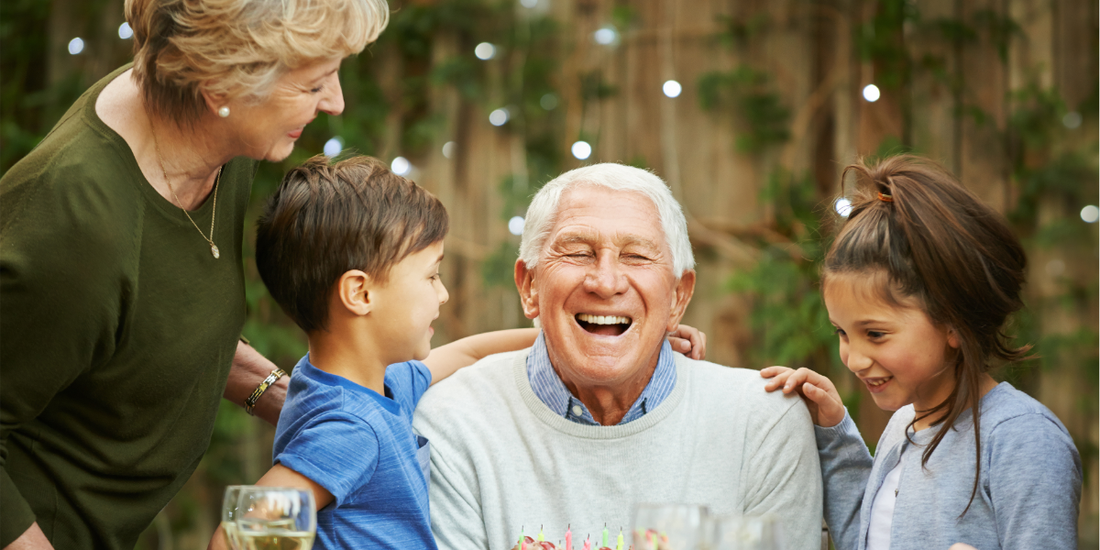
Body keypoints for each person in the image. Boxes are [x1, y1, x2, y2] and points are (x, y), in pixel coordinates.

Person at [0, 1, 389, 548]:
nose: (336, 103)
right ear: (222, 87)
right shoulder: (73, 226)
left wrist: (301, 406)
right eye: (313, 85)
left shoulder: (219, 135)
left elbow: (154, 315)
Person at [207, 157, 706, 550]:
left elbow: (467, 353)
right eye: (430, 276)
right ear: (360, 294)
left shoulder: (371, 384)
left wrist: (592, 336)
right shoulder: (349, 428)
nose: (443, 294)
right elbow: (237, 536)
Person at [412, 163, 823, 550]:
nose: (606, 282)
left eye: (637, 256)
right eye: (578, 252)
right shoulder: (452, 423)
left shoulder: (762, 422)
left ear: (679, 296)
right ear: (530, 286)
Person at [761, 155, 1082, 549]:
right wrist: (834, 430)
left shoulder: (1023, 440)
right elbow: (868, 536)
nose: (855, 359)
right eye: (842, 333)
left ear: (951, 320)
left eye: (875, 334)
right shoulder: (903, 426)